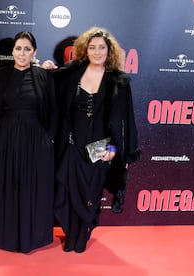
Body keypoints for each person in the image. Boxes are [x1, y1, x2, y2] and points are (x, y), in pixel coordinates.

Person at [42, 26, 140, 253]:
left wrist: (116, 146)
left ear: (109, 51)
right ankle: (72, 233)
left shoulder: (118, 80)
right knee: (67, 191)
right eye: (92, 47)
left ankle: (82, 236)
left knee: (90, 193)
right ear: (85, 50)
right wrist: (45, 69)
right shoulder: (72, 73)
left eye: (101, 48)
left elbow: (126, 119)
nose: (97, 52)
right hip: (71, 146)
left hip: (100, 148)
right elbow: (51, 85)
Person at [0, 31, 57, 253]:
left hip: (36, 140)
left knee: (32, 187)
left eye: (27, 49)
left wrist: (48, 138)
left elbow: (54, 111)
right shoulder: (0, 76)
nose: (22, 53)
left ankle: (32, 237)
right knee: (7, 185)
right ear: (12, 51)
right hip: (4, 139)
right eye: (18, 48)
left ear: (34, 52)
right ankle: (3, 237)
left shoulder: (44, 76)